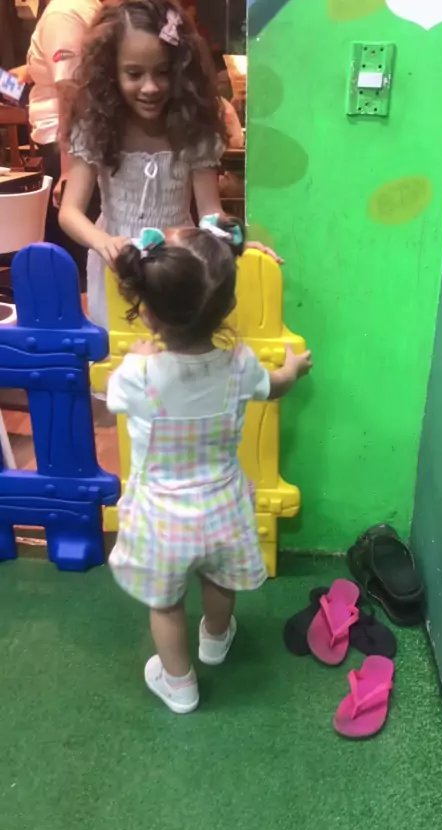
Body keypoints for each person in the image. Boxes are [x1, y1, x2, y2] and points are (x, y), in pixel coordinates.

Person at [106, 216, 313, 713]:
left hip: (161, 516)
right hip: (221, 506)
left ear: (148, 314)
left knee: (166, 603)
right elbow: (275, 387)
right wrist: (292, 368)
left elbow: (113, 399)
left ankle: (179, 685)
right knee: (220, 579)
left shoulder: (138, 374)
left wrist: (137, 356)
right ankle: (216, 639)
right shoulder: (240, 365)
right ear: (229, 306)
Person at [59, 0, 280, 331]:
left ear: (181, 71)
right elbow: (69, 212)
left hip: (177, 265)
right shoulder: (97, 126)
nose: (150, 87)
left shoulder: (193, 127)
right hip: (117, 265)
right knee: (120, 353)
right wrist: (103, 242)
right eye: (134, 74)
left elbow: (209, 211)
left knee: (174, 348)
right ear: (110, 71)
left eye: (163, 72)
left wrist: (234, 243)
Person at [12, 0, 102, 275]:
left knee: (72, 255)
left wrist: (67, 170)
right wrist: (31, 70)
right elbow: (72, 68)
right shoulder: (78, 9)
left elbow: (70, 91)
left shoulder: (63, 12)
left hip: (64, 144)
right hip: (74, 141)